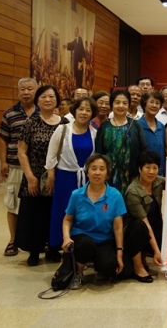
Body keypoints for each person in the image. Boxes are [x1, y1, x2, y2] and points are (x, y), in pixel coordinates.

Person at [62, 154, 158, 288]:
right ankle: (78, 273)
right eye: (93, 168)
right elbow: (67, 220)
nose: (97, 172)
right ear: (87, 172)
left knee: (111, 267)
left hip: (104, 240)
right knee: (86, 244)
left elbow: (118, 227)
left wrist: (119, 252)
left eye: (102, 169)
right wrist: (66, 238)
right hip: (81, 238)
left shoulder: (115, 195)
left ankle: (101, 267)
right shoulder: (77, 195)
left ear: (107, 174)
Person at [16, 85, 63, 266]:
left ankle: (53, 248)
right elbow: (22, 152)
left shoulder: (64, 124)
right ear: (37, 100)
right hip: (34, 175)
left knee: (54, 213)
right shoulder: (31, 122)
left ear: (57, 100)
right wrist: (30, 177)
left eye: (51, 96)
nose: (48, 100)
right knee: (34, 214)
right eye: (43, 97)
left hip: (58, 177)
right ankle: (34, 251)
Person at [45, 96, 98, 251]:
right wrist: (51, 176)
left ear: (92, 113)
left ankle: (81, 245)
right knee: (62, 210)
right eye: (81, 109)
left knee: (84, 212)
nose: (84, 113)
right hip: (65, 178)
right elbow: (51, 154)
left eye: (88, 110)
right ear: (74, 110)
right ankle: (58, 243)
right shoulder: (62, 130)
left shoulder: (94, 133)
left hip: (86, 180)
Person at [0, 77, 38, 257]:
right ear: (18, 91)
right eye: (23, 89)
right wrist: (3, 161)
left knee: (36, 204)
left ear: (36, 91)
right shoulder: (10, 113)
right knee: (13, 204)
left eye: (30, 89)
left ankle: (36, 239)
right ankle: (13, 240)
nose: (26, 92)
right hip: (15, 166)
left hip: (37, 168)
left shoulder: (43, 111)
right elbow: (2, 138)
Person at [95, 89, 149, 196]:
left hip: (131, 177)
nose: (121, 106)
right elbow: (99, 152)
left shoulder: (135, 125)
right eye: (117, 102)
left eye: (124, 103)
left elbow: (144, 150)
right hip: (107, 177)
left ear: (128, 105)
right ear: (111, 105)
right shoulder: (104, 126)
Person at [124, 151, 165, 280]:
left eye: (155, 168)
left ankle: (144, 254)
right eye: (147, 167)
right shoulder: (133, 191)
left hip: (155, 227)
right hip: (136, 232)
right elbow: (145, 223)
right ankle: (138, 266)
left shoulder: (158, 181)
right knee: (139, 226)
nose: (151, 172)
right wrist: (157, 251)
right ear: (139, 169)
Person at [139, 91, 167, 177]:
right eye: (151, 102)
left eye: (157, 103)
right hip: (142, 173)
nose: (154, 105)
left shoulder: (162, 127)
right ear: (144, 104)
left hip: (159, 172)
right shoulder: (136, 125)